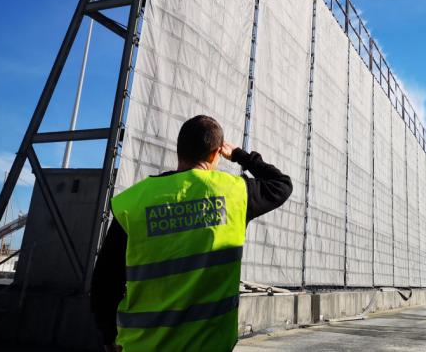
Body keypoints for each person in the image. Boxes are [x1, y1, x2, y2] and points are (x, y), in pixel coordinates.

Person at [90, 115, 292, 351]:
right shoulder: (235, 193)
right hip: (210, 345)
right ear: (215, 153)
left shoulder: (134, 201)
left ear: (179, 151)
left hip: (141, 345)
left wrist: (108, 335)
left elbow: (105, 283)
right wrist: (239, 155)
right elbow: (281, 184)